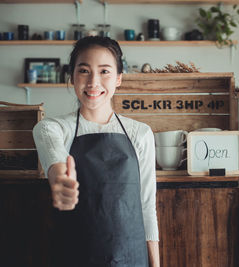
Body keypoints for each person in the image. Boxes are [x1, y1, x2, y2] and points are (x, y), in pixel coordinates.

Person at [33, 36, 159, 267]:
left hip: (131, 256)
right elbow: (56, 159)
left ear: (119, 78)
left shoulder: (140, 133)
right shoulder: (53, 128)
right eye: (84, 70)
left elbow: (147, 205)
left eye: (104, 71)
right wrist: (61, 179)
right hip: (74, 255)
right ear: (72, 77)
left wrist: (156, 263)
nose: (93, 82)